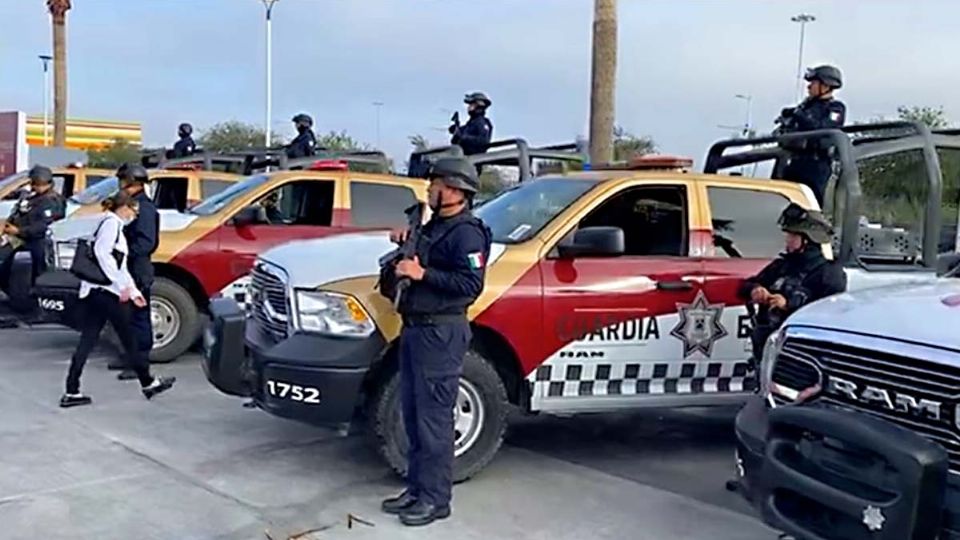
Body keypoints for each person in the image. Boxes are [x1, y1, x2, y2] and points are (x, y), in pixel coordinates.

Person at [380, 157, 492, 527]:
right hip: (415, 328)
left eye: (436, 184)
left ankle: (435, 498)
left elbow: (469, 286)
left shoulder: (467, 233)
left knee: (434, 419)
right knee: (412, 414)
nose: (430, 189)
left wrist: (422, 272)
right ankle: (416, 489)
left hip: (441, 333)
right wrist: (403, 248)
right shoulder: (433, 228)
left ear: (456, 190)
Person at [60, 192, 175, 407]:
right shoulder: (111, 224)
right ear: (125, 208)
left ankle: (72, 390)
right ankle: (148, 383)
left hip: (98, 293)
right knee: (129, 338)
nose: (134, 216)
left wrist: (132, 291)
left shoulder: (108, 223)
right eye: (134, 212)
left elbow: (119, 266)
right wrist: (123, 287)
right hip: (107, 294)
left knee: (89, 340)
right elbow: (103, 255)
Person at [739, 202, 847, 367]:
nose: (787, 241)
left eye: (792, 236)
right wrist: (755, 290)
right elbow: (745, 286)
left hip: (801, 355)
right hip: (769, 349)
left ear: (808, 239)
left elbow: (829, 315)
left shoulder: (829, 274)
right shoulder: (781, 266)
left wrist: (788, 305)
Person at [108, 164, 159, 381]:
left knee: (139, 318)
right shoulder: (130, 205)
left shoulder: (144, 209)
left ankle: (141, 362)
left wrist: (124, 253)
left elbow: (147, 243)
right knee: (125, 317)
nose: (119, 186)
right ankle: (129, 356)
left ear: (131, 183)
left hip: (137, 270)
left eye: (122, 182)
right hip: (126, 269)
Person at [776, 65, 846, 205]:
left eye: (813, 83)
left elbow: (823, 129)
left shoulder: (835, 108)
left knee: (808, 205)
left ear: (826, 86)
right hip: (791, 162)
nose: (809, 87)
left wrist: (799, 115)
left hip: (815, 166)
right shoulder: (805, 107)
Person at [0, 165, 64, 292]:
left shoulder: (52, 200)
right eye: (35, 183)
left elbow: (44, 225)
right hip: (21, 238)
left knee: (39, 273)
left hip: (39, 241)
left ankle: (37, 299)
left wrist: (19, 231)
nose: (37, 186)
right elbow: (20, 213)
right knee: (4, 264)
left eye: (40, 183)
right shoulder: (32, 198)